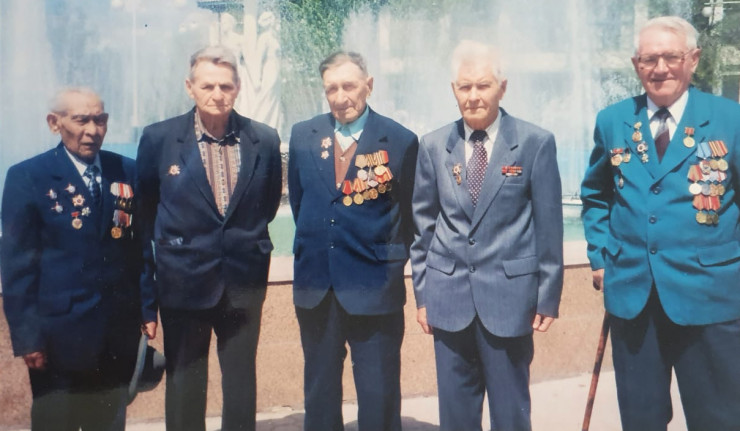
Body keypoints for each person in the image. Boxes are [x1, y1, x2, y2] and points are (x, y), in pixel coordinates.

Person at [581, 16, 740, 431]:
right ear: (636, 65)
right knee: (641, 419)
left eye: (671, 57)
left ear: (693, 59)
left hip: (710, 295)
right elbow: (596, 195)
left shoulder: (729, 118)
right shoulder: (613, 120)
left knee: (718, 418)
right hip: (634, 296)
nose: (660, 68)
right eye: (649, 59)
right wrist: (599, 256)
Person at [410, 40, 563, 431]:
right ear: (454, 90)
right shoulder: (433, 146)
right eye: (465, 87)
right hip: (448, 300)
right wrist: (423, 295)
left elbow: (549, 227)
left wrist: (548, 296)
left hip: (510, 300)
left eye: (483, 85)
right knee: (456, 417)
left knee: (511, 414)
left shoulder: (534, 143)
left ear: (502, 88)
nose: (473, 96)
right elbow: (423, 228)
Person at [136, 46, 282, 431]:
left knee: (241, 382)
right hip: (184, 282)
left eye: (226, 86)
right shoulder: (159, 138)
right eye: (207, 86)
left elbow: (266, 207)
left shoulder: (264, 139)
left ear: (237, 87)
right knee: (185, 382)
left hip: (243, 282)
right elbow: (146, 213)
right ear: (190, 87)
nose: (217, 94)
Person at [1, 87, 153, 430]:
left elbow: (140, 247)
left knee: (109, 422)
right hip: (58, 337)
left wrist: (147, 309)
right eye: (81, 120)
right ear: (54, 123)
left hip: (116, 332)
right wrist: (28, 338)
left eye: (100, 120)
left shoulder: (126, 171)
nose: (92, 130)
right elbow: (17, 267)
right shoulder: (29, 176)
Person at [288, 51, 418, 431]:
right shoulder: (303, 135)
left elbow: (409, 216)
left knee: (379, 395)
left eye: (349, 86)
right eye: (331, 88)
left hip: (374, 287)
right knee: (320, 393)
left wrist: (386, 261)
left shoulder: (400, 140)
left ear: (368, 86)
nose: (341, 97)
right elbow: (301, 203)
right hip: (317, 287)